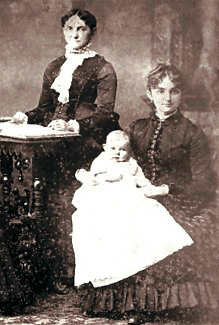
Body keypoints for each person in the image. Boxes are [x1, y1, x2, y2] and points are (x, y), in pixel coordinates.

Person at [77, 64, 218, 324]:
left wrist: (164, 189)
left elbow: (204, 185)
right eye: (160, 90)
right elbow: (114, 159)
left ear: (181, 94)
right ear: (149, 93)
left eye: (174, 91)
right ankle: (121, 299)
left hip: (179, 198)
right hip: (138, 194)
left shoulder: (193, 134)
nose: (167, 98)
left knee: (155, 228)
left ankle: (156, 304)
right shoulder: (136, 128)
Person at [10, 9, 120, 290]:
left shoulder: (103, 68)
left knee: (68, 200)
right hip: (51, 139)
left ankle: (73, 273)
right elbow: (45, 109)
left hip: (86, 142)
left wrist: (72, 125)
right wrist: (27, 115)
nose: (74, 34)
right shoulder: (54, 66)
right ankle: (43, 270)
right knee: (39, 196)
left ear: (92, 33)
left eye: (81, 29)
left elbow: (106, 115)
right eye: (69, 28)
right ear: (62, 31)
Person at [72, 130, 193, 290]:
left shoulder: (132, 165)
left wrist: (151, 188)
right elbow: (92, 176)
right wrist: (94, 177)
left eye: (122, 150)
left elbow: (142, 180)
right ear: (104, 147)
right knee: (96, 219)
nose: (117, 153)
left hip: (127, 196)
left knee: (147, 212)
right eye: (113, 148)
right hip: (104, 196)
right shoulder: (101, 161)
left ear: (129, 151)